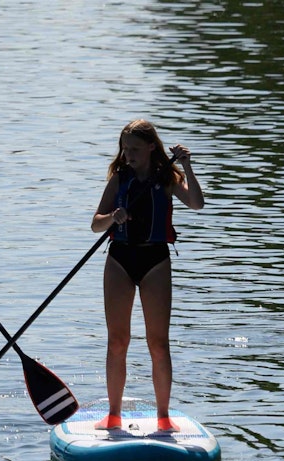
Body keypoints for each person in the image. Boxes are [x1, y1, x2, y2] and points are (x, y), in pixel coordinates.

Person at [89, 119, 204, 431]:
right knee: (118, 341)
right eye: (125, 149)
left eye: (135, 149)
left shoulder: (166, 177)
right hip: (120, 260)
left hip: (155, 259)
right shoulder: (119, 178)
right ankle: (113, 415)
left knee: (158, 343)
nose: (129, 155)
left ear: (152, 146)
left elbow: (196, 203)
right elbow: (95, 224)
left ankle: (163, 417)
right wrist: (112, 216)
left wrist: (188, 167)